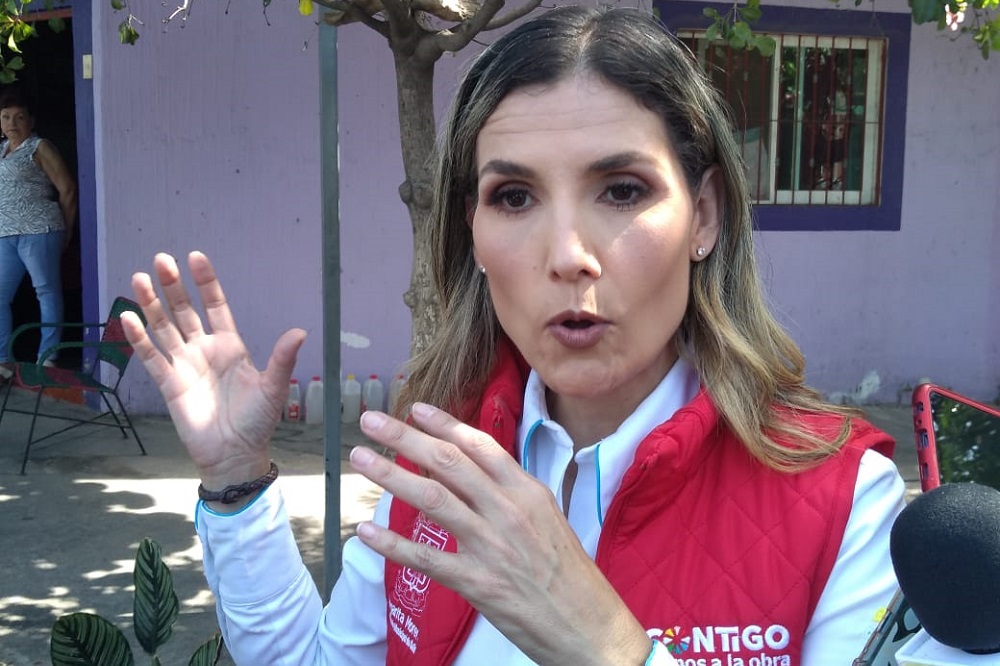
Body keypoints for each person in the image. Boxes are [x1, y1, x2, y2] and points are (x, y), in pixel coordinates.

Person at [122, 6, 905, 665]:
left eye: (621, 189)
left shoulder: (846, 505)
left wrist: (609, 647)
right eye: (515, 197)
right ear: (472, 230)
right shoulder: (443, 463)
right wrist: (236, 480)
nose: (567, 255)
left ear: (703, 216)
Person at [0, 90, 77, 382]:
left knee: (46, 292)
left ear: (31, 121)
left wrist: (67, 230)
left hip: (40, 230)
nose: (12, 123)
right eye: (6, 117)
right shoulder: (2, 149)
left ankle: (48, 359)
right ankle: (3, 361)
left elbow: (67, 189)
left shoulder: (39, 147)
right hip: (6, 233)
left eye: (20, 117)